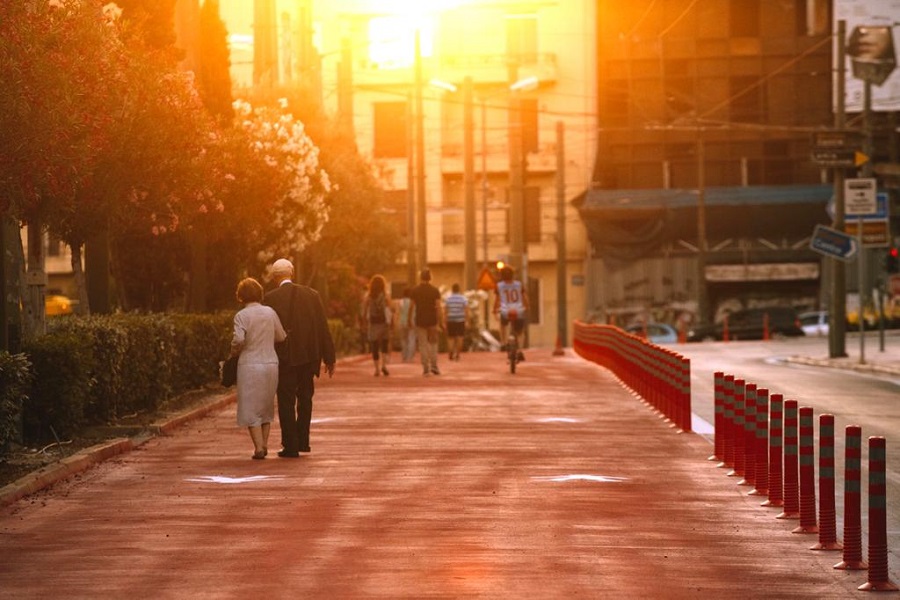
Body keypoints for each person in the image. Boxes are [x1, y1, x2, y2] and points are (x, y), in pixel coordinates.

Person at [263, 258, 336, 458]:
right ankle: (303, 440)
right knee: (305, 398)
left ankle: (291, 445)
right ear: (292, 273)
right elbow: (323, 327)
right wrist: (329, 357)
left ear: (275, 277)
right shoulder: (312, 295)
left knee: (285, 400)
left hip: (284, 357)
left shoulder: (270, 298)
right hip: (309, 356)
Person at [229, 277, 286, 460]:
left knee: (250, 406)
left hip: (249, 364)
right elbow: (281, 336)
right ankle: (264, 444)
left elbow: (238, 340)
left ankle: (259, 447)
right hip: (270, 363)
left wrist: (234, 351)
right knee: (266, 406)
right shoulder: (270, 312)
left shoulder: (241, 316)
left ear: (241, 296)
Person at [409, 268, 442, 376]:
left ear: (420, 277)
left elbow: (411, 306)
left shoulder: (415, 290)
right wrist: (440, 320)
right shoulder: (435, 290)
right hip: (432, 319)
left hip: (420, 319)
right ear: (430, 277)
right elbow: (438, 307)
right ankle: (434, 366)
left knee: (423, 344)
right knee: (433, 343)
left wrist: (409, 319)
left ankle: (425, 367)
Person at [493, 265, 529, 362]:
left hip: (505, 310)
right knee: (521, 332)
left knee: (502, 325)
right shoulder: (519, 284)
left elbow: (497, 300)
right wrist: (526, 307)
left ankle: (503, 343)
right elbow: (524, 298)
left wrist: (494, 310)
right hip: (518, 310)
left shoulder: (499, 286)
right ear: (513, 275)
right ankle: (520, 350)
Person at [362, 274, 393, 376]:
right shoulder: (386, 295)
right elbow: (390, 309)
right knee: (384, 345)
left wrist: (364, 322)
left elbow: (364, 310)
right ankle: (384, 365)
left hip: (373, 323)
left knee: (374, 346)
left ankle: (376, 369)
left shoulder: (369, 296)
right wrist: (392, 322)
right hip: (384, 323)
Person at [444, 283, 469, 361]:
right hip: (460, 320)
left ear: (452, 290)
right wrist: (467, 320)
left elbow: (445, 311)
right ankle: (458, 354)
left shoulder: (448, 299)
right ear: (459, 289)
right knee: (460, 337)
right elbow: (466, 310)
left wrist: (445, 321)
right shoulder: (463, 299)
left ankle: (450, 353)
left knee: (450, 338)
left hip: (450, 320)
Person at [397, 288, 416, 362]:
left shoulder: (400, 301)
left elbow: (398, 312)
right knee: (411, 339)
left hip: (402, 322)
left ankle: (404, 356)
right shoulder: (414, 302)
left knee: (403, 340)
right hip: (412, 321)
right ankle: (410, 357)